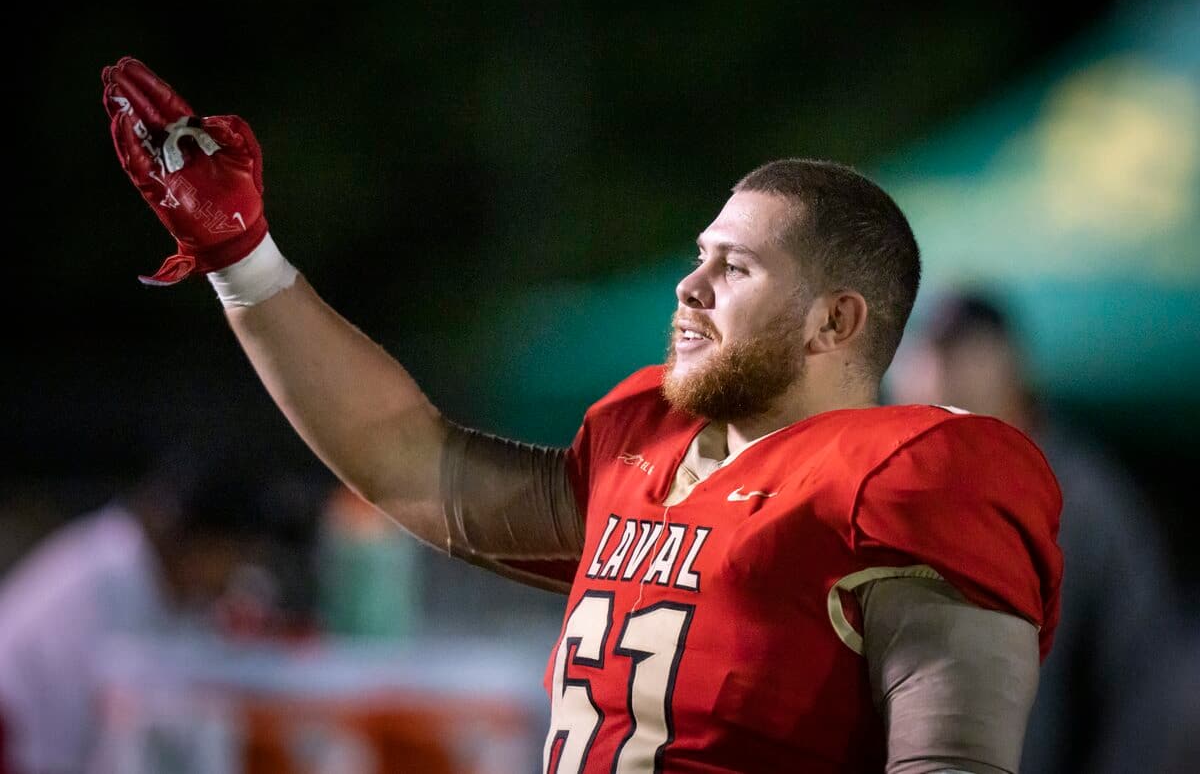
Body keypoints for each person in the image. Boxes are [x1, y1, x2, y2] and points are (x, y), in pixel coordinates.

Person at [101, 57, 1063, 774]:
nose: (690, 286)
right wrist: (244, 258)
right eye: (701, 255)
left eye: (736, 267)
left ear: (835, 321)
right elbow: (409, 462)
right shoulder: (646, 449)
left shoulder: (911, 478)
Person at [886, 291, 1178, 774]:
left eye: (959, 354)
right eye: (923, 355)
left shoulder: (1083, 500)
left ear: (1010, 366)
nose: (936, 372)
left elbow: (1144, 681)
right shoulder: (889, 494)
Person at [0, 447, 312, 774]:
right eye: (237, 558)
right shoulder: (95, 591)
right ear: (201, 542)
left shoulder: (147, 573)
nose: (235, 577)